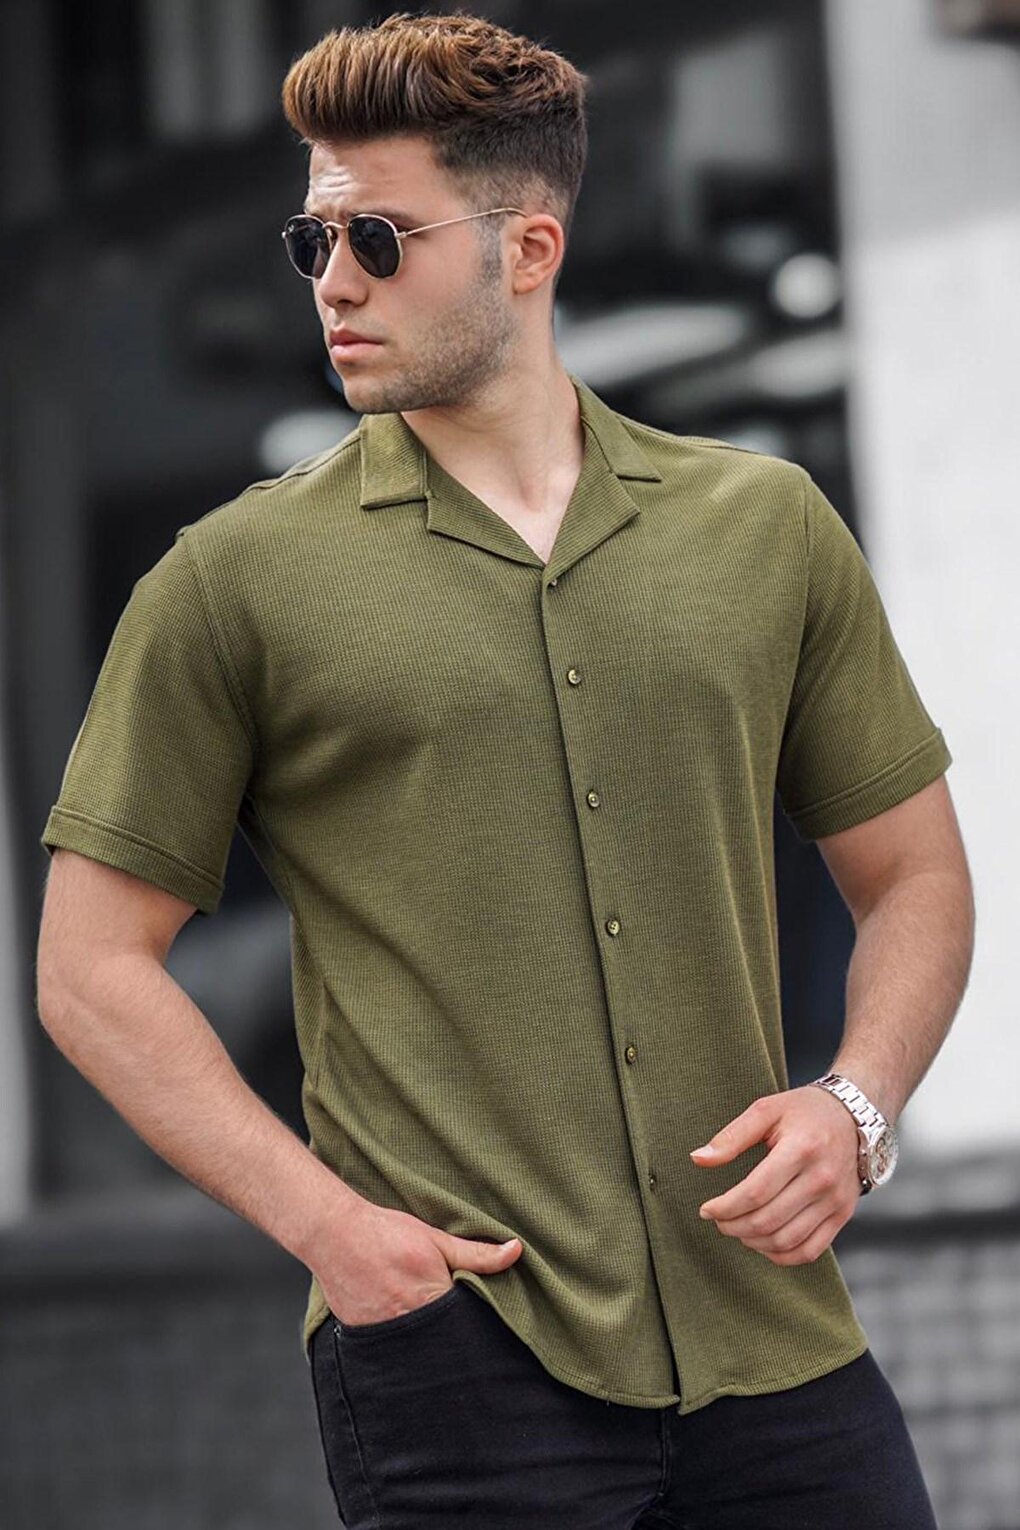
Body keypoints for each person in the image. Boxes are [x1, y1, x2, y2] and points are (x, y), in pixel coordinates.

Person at [36, 11, 973, 1529]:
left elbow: (914, 873)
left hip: (777, 1339)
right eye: (313, 242)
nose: (334, 282)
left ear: (528, 249)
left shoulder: (766, 528)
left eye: (379, 240)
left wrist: (857, 1105)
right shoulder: (230, 584)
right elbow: (90, 970)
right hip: (462, 1363)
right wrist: (332, 1231)